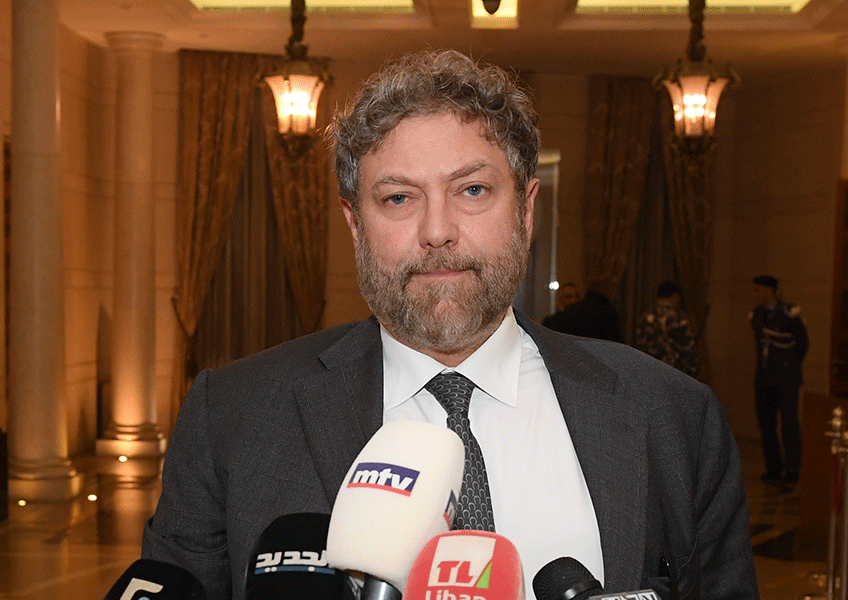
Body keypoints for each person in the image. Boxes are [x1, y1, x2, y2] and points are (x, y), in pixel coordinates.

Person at [142, 50, 759, 600]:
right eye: (398, 198)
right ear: (355, 225)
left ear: (526, 211)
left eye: (472, 191)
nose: (437, 231)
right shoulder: (232, 418)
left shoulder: (673, 416)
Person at [749, 275, 808, 484]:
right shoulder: (757, 315)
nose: (754, 294)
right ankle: (773, 466)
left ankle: (792, 469)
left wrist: (788, 364)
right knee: (766, 424)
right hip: (764, 378)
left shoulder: (789, 313)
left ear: (769, 291)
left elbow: (802, 344)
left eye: (758, 290)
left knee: (789, 424)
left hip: (786, 378)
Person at [634, 281, 699, 377]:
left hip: (649, 374)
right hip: (675, 375)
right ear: (675, 296)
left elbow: (639, 349)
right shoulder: (680, 320)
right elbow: (689, 352)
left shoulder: (645, 319)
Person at [541, 287, 623, 342]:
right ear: (560, 299)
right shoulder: (551, 322)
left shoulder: (589, 320)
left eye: (577, 296)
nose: (573, 300)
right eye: (569, 297)